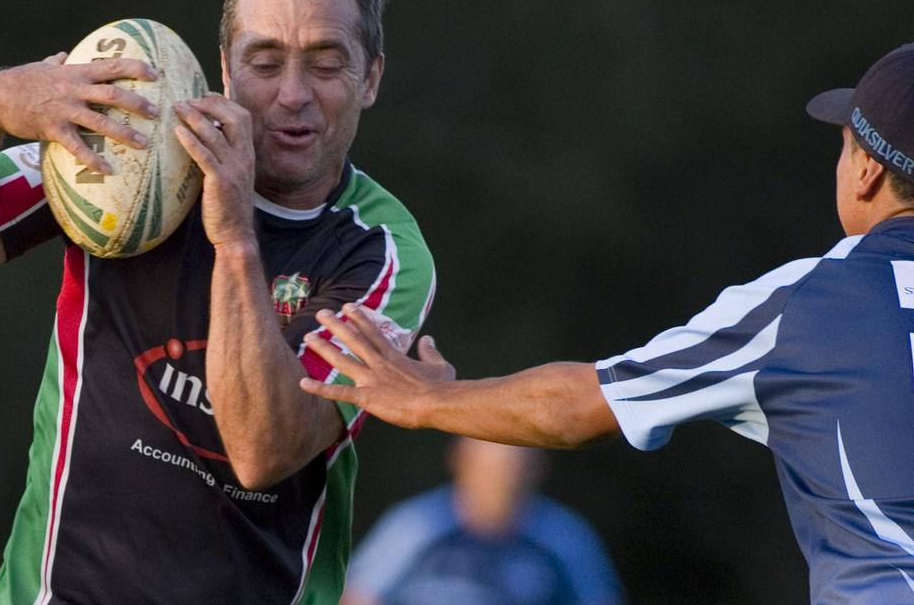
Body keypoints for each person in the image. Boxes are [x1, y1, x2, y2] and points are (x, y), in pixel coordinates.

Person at [0, 0, 436, 604]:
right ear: (225, 73)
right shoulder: (135, 155)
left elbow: (262, 452)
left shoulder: (381, 251)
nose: (294, 94)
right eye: (265, 62)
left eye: (326, 64)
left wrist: (234, 234)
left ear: (371, 77)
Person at [300, 43, 914, 604]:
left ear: (864, 171)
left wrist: (428, 398)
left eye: (843, 146)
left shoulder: (805, 303)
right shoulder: (425, 531)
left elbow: (579, 406)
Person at [342, 438, 624, 605]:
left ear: (536, 472)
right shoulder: (416, 525)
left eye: (513, 471)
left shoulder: (563, 537)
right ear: (461, 465)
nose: (502, 483)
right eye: (491, 471)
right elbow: (359, 596)